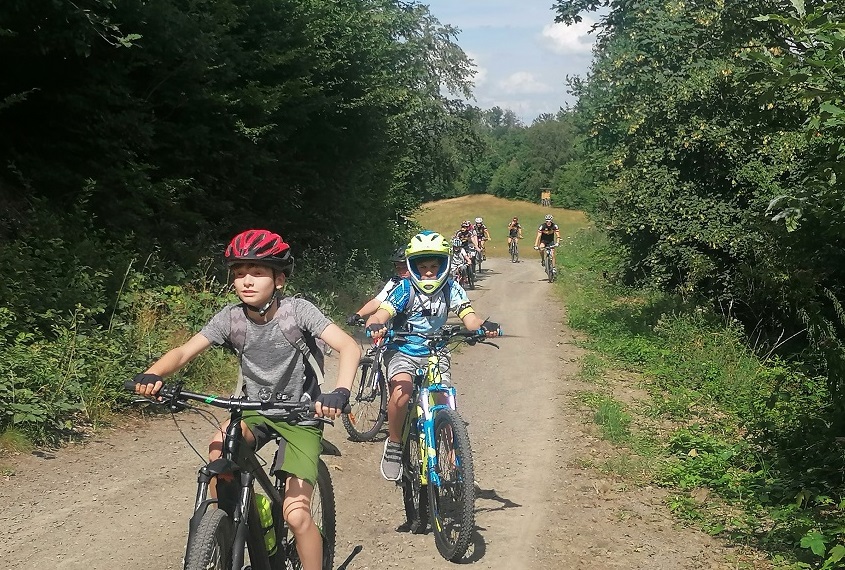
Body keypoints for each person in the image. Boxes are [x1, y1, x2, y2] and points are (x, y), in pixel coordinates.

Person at [129, 229, 361, 570]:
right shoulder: (231, 318)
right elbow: (184, 351)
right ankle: (223, 525)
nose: (246, 281)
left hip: (301, 415)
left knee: (297, 515)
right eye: (239, 274)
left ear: (279, 279)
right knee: (218, 449)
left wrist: (339, 392)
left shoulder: (298, 313)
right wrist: (154, 375)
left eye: (257, 272)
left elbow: (348, 346)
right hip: (253, 411)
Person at [365, 230, 499, 482]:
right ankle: (394, 444)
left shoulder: (451, 288)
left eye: (434, 266)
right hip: (403, 349)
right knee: (401, 393)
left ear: (444, 265)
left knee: (443, 400)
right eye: (423, 266)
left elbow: (469, 317)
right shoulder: (404, 289)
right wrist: (376, 324)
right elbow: (381, 313)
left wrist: (483, 326)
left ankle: (451, 453)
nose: (428, 272)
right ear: (413, 267)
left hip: (436, 350)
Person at [346, 246, 411, 325]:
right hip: (396, 330)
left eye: (404, 267)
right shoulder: (394, 282)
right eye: (398, 268)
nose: (401, 271)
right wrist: (358, 314)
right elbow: (377, 301)